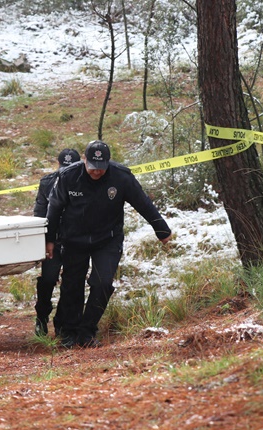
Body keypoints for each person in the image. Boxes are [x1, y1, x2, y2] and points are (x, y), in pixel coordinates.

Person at [45, 140, 172, 348]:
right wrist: (50, 239)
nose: (97, 172)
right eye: (93, 168)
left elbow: (142, 202)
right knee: (72, 285)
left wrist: (161, 229)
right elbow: (54, 208)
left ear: (108, 162)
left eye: (101, 168)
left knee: (102, 283)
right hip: (74, 238)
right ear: (84, 160)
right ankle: (68, 332)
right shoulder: (68, 176)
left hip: (107, 238)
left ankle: (87, 331)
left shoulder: (121, 177)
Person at [32, 148, 81, 337]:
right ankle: (41, 318)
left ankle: (63, 322)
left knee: (71, 283)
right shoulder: (47, 182)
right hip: (53, 239)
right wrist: (43, 241)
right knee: (48, 280)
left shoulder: (84, 182)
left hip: (75, 239)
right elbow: (40, 213)